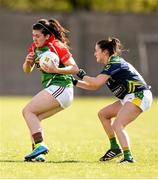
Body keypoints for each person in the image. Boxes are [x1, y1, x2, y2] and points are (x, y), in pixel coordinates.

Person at [73, 37, 152, 163]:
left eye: (96, 50)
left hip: (139, 95)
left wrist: (80, 73)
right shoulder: (110, 65)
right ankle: (115, 148)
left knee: (118, 125)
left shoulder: (114, 63)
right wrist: (74, 82)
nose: (95, 53)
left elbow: (96, 82)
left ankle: (128, 157)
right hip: (129, 97)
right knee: (103, 114)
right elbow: (94, 86)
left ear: (105, 52)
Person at [22, 18, 79, 162]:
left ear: (47, 36)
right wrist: (27, 63)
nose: (34, 39)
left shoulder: (55, 45)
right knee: (35, 118)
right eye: (33, 35)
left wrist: (56, 69)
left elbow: (74, 68)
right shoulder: (35, 47)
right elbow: (26, 71)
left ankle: (40, 145)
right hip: (57, 90)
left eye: (38, 36)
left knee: (27, 111)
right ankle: (38, 154)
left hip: (61, 87)